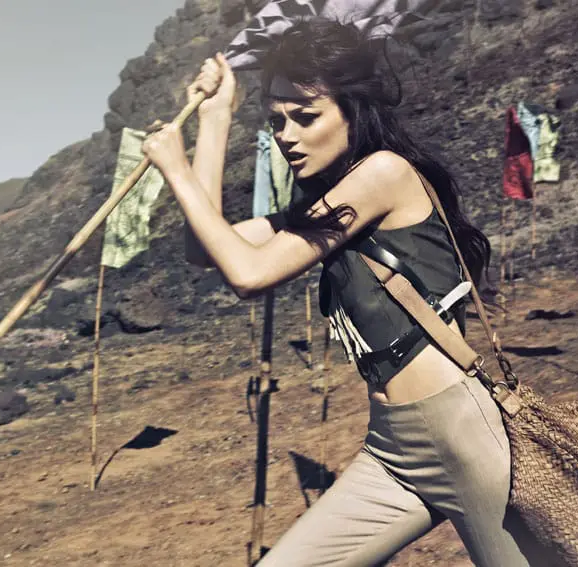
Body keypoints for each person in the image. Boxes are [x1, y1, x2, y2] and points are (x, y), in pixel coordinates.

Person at [142, 18, 543, 567]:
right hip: (392, 449)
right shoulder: (321, 210)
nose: (287, 136)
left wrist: (176, 170)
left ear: (353, 111)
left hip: (464, 438)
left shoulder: (384, 174)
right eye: (277, 120)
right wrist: (215, 120)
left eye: (306, 117)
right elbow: (207, 248)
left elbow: (249, 275)